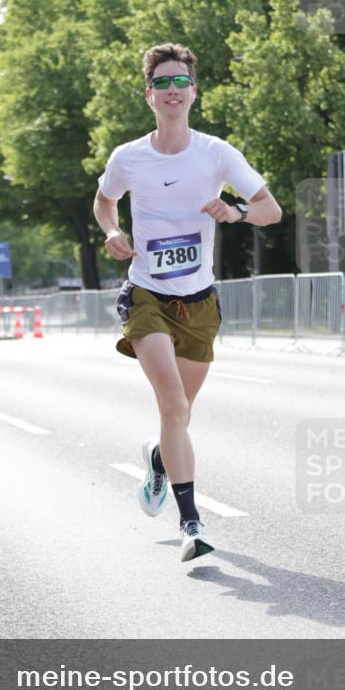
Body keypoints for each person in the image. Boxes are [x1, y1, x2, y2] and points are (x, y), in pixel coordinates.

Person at [93, 43, 282, 561]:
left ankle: (159, 461)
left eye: (181, 82)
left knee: (180, 416)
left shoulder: (217, 153)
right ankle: (192, 525)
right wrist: (112, 231)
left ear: (193, 93)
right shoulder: (128, 157)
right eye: (163, 83)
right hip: (146, 295)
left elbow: (272, 210)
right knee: (172, 404)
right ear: (149, 94)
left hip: (199, 302)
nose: (173, 90)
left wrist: (236, 211)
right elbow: (105, 199)